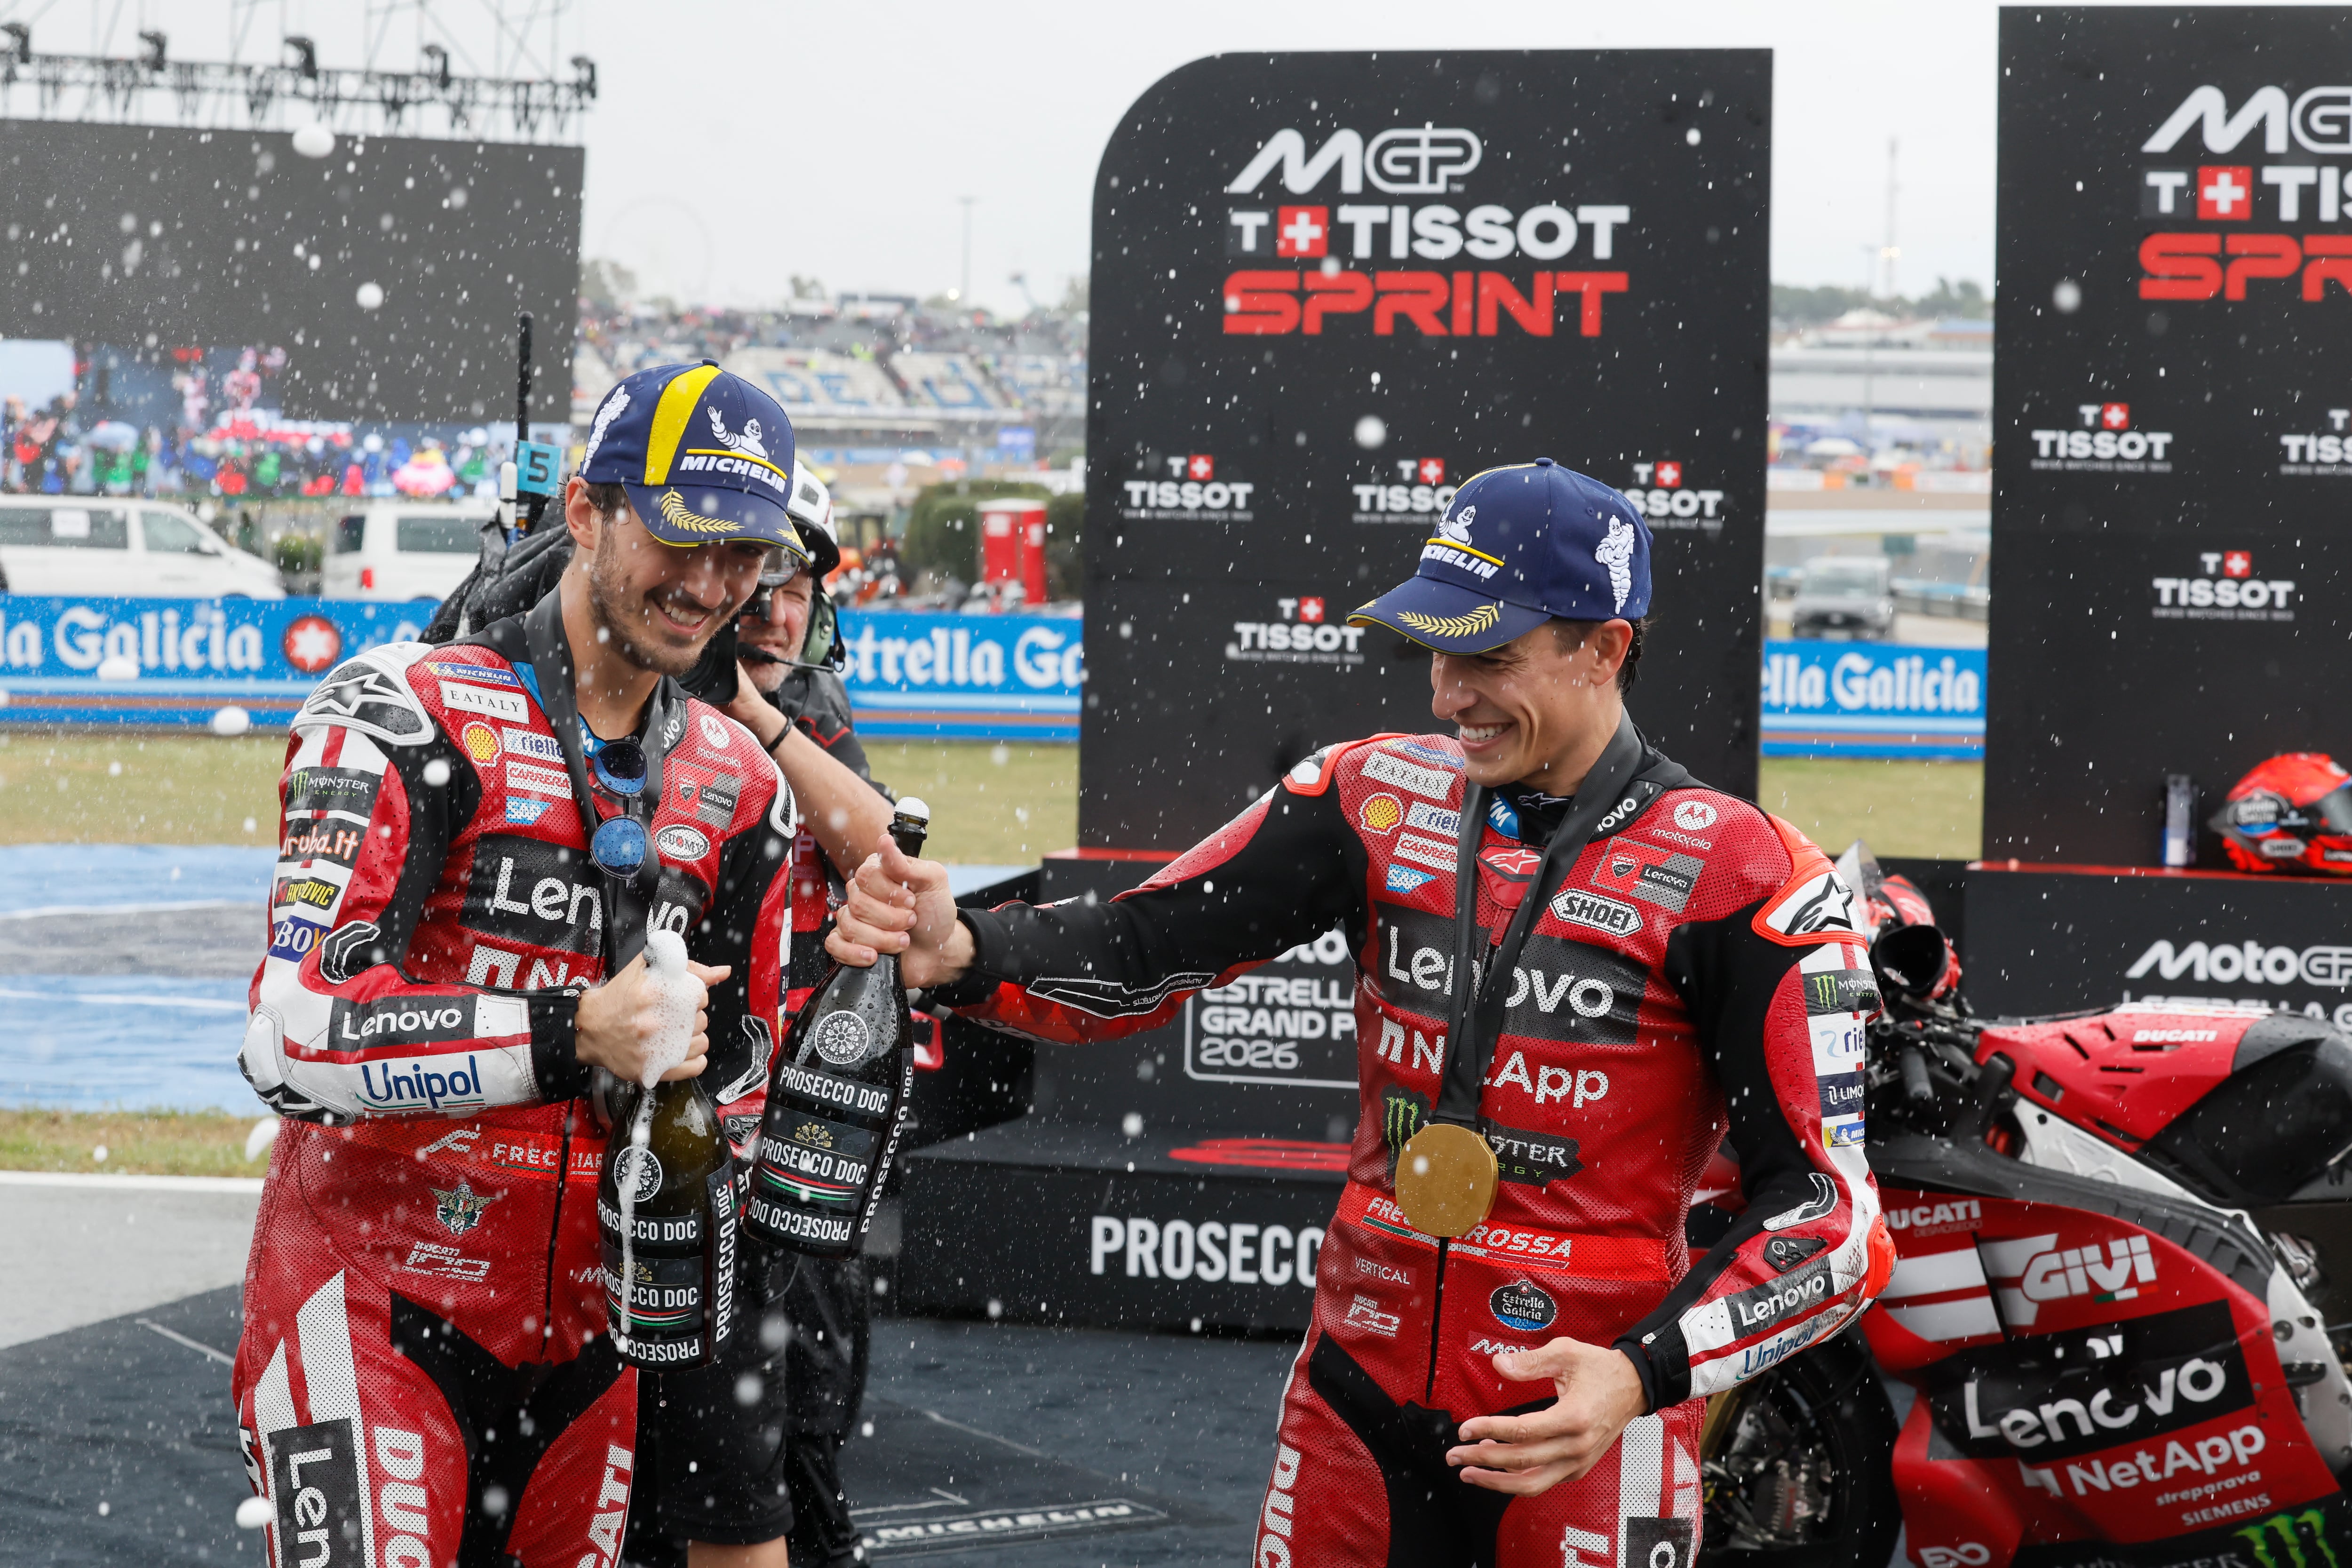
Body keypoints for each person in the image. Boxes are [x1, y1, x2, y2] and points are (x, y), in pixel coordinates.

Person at [825, 459, 1894, 1566]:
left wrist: (1640, 1370)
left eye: (1489, 656)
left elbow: (1834, 1219)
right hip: (1354, 1401)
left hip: (1584, 1431)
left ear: (1604, 647)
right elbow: (1145, 948)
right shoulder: (1371, 796)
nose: (1448, 694)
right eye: (1438, 650)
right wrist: (963, 949)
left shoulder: (1741, 873)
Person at [231, 362, 874, 1566]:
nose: (709, 586)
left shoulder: (741, 782)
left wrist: (723, 1098)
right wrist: (570, 1031)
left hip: (598, 1334)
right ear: (584, 512)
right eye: (680, 540)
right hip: (366, 1302)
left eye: (745, 557)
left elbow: (741, 1074)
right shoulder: (401, 711)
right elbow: (289, 1032)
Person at [625, 468, 897, 1568]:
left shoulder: (804, 710)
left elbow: (893, 860)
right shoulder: (635, 692)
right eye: (759, 575)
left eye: (799, 580)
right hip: (659, 1141)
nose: (779, 605)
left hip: (790, 1157)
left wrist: (757, 712)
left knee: (798, 1460)